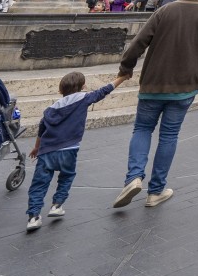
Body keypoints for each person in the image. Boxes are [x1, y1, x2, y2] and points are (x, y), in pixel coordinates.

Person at [112, 0, 198, 209]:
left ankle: (133, 178)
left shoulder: (165, 11)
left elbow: (139, 42)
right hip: (184, 86)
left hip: (154, 81)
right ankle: (156, 191)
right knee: (169, 135)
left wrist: (126, 67)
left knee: (142, 128)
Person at [27, 71, 128, 230]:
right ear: (83, 87)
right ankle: (57, 205)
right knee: (67, 176)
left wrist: (36, 147)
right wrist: (122, 78)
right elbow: (105, 90)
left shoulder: (50, 109)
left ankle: (33, 216)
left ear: (60, 90)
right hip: (69, 149)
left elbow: (41, 128)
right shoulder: (83, 99)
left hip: (46, 151)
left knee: (39, 184)